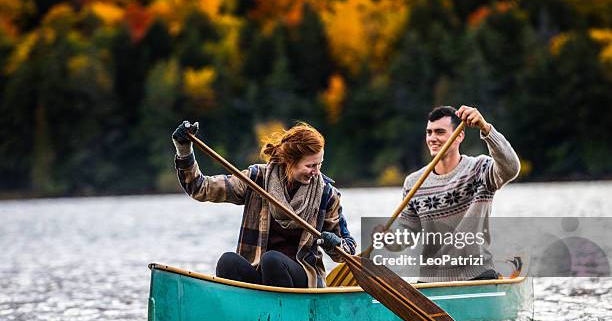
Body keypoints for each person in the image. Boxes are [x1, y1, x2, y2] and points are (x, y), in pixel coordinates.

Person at [171, 121, 356, 288]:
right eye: (310, 166)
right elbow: (200, 188)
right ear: (289, 162)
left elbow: (348, 248)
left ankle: (284, 319)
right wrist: (184, 150)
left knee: (272, 260)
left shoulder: (326, 194)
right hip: (259, 273)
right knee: (228, 261)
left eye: (320, 165)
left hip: (303, 281)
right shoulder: (256, 179)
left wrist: (335, 243)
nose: (317, 172)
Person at [398, 105, 521, 282]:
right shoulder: (413, 182)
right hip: (430, 282)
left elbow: (511, 168)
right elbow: (407, 233)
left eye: (440, 132)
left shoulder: (480, 169)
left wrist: (485, 128)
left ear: (459, 136)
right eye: (429, 132)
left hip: (477, 276)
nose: (432, 138)